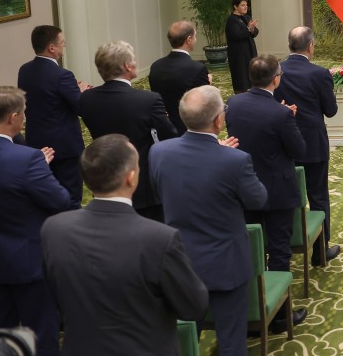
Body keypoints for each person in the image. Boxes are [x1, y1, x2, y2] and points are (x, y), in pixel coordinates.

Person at [41, 134, 208, 356]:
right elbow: (193, 306)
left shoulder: (53, 229)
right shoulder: (159, 238)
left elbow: (53, 293)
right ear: (131, 178)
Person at [149, 86, 268, 356]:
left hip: (181, 262)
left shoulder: (159, 152)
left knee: (184, 339)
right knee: (231, 342)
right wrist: (222, 155)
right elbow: (258, 199)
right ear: (218, 121)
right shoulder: (236, 161)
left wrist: (218, 154)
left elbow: (162, 191)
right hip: (227, 265)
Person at [225, 54, 308, 330]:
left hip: (244, 187)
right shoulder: (281, 114)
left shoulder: (233, 104)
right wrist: (288, 119)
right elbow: (298, 150)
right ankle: (280, 317)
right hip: (277, 191)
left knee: (251, 250)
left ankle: (252, 312)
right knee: (279, 250)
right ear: (275, 79)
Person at [0, 86, 70, 356]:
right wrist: (41, 170)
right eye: (23, 113)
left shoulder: (26, 159)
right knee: (41, 335)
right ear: (13, 117)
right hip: (28, 264)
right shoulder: (27, 159)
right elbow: (59, 200)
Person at [79, 41, 178, 222]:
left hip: (104, 180)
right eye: (133, 60)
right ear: (127, 66)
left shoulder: (86, 99)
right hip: (142, 185)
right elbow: (169, 137)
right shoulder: (148, 100)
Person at [275, 26, 341, 263]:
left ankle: (286, 246)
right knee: (318, 196)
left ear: (289, 45)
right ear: (311, 46)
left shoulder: (276, 70)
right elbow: (330, 111)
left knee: (287, 195)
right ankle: (320, 253)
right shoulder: (320, 73)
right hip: (313, 143)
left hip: (284, 142)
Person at [17, 24, 90, 208]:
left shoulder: (24, 70)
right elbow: (80, 107)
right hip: (64, 147)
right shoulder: (62, 75)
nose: (64, 46)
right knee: (71, 197)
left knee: (45, 194)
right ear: (51, 48)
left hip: (36, 142)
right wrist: (80, 91)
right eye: (62, 42)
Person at [148, 20, 211, 134]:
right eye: (195, 36)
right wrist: (209, 84)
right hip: (188, 128)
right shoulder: (197, 68)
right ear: (189, 39)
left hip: (162, 127)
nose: (196, 40)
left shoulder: (156, 66)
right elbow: (203, 103)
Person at [225, 0, 259, 95]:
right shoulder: (231, 20)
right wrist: (248, 28)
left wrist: (252, 29)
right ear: (235, 6)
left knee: (252, 73)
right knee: (241, 77)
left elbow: (255, 33)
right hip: (238, 54)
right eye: (242, 5)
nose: (245, 7)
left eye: (246, 5)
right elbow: (237, 35)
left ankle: (254, 93)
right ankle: (242, 95)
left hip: (250, 51)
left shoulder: (247, 17)